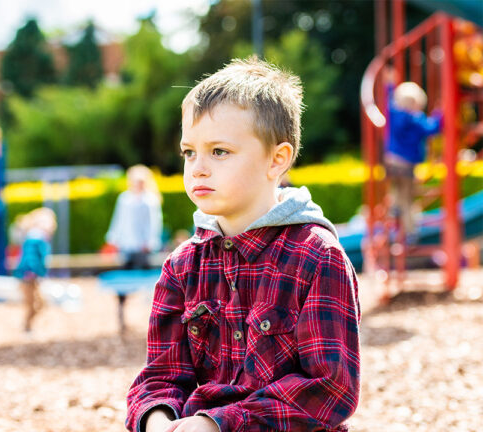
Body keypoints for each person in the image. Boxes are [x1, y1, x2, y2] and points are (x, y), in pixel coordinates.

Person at [126, 57, 360, 432]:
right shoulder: (182, 265)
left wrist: (218, 424)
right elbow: (162, 374)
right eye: (189, 152)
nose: (198, 167)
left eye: (219, 151)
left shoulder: (317, 257)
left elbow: (330, 389)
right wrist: (158, 419)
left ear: (276, 160)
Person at [105, 164, 163, 332]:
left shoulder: (150, 200)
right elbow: (119, 220)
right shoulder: (125, 199)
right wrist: (113, 239)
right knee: (123, 281)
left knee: (149, 281)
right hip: (127, 246)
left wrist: (151, 242)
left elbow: (154, 223)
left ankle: (154, 318)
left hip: (143, 247)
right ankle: (121, 316)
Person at [384, 71, 442, 237]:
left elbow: (387, 99)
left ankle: (394, 217)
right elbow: (433, 128)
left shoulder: (393, 113)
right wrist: (441, 113)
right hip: (407, 164)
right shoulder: (416, 119)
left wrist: (389, 85)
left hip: (391, 161)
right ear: (417, 103)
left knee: (396, 192)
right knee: (408, 198)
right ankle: (410, 232)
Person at [13, 207, 57, 333]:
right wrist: (32, 271)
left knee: (39, 303)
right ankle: (27, 328)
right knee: (33, 304)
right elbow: (30, 257)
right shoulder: (35, 238)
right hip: (28, 275)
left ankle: (28, 326)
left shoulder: (38, 238)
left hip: (32, 275)